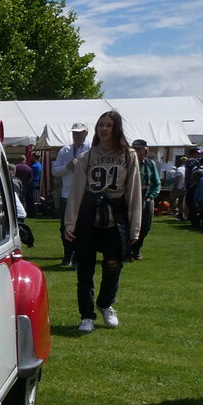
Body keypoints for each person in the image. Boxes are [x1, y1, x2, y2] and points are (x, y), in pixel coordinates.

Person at [62, 110, 142, 332]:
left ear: (116, 128)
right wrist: (70, 223)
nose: (104, 129)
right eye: (101, 125)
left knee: (113, 265)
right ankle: (86, 315)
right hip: (89, 214)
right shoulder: (88, 157)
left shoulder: (129, 155)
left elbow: (134, 193)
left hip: (115, 215)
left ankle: (106, 304)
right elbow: (77, 192)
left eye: (108, 125)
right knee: (85, 268)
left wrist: (135, 227)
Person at [52, 122, 90, 267]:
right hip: (66, 195)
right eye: (74, 133)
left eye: (80, 133)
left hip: (84, 195)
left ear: (86, 133)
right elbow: (55, 171)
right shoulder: (65, 150)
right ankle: (68, 254)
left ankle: (77, 257)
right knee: (64, 227)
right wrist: (68, 166)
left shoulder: (91, 149)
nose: (77, 135)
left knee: (82, 227)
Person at [130, 139, 161, 260]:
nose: (136, 152)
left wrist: (150, 197)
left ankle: (136, 248)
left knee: (145, 226)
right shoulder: (128, 163)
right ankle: (127, 249)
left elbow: (156, 183)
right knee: (129, 225)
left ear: (145, 150)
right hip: (131, 198)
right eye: (134, 149)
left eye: (138, 149)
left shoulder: (150, 164)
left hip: (145, 197)